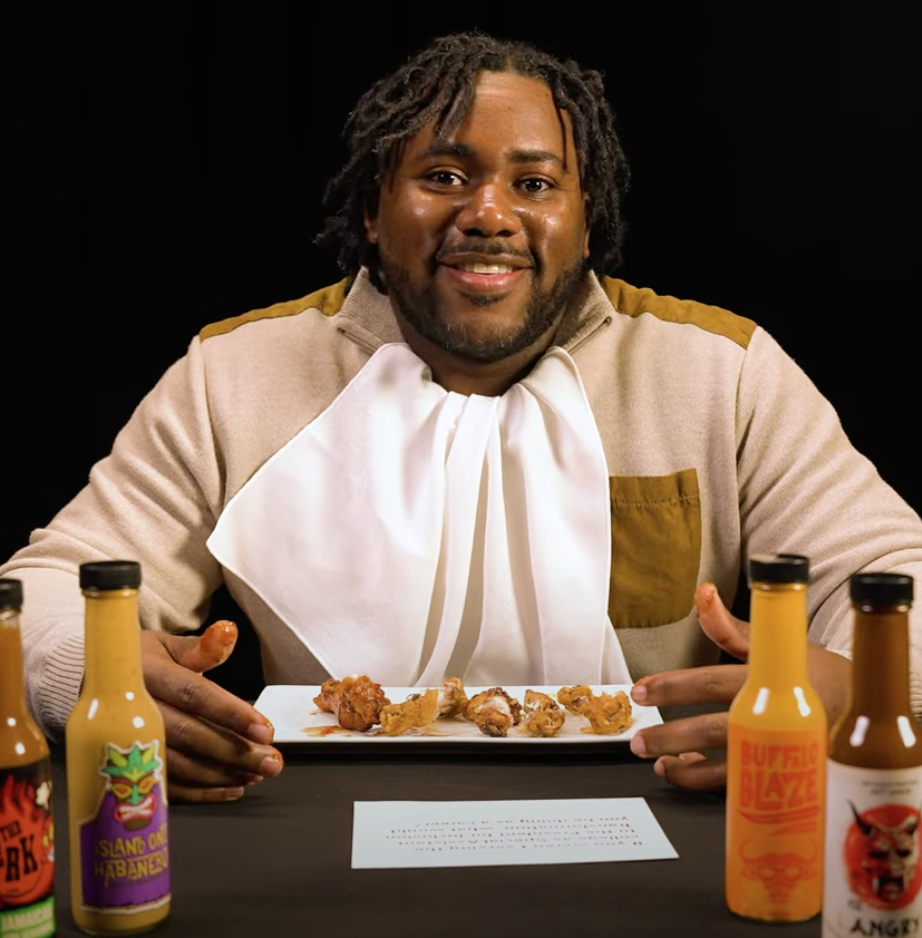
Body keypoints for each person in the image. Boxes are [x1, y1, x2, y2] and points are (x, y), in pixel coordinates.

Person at [4, 33, 922, 801]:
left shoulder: (724, 374)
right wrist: (91, 677)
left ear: (587, 220)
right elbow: (40, 590)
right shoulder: (233, 377)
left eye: (535, 184)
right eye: (443, 175)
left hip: (655, 823)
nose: (488, 214)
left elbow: (891, 575)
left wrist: (865, 689)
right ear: (374, 209)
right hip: (317, 835)